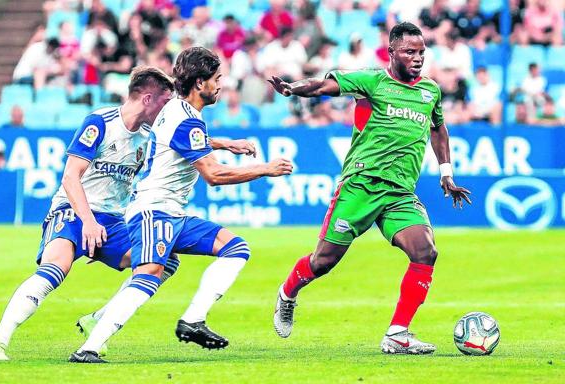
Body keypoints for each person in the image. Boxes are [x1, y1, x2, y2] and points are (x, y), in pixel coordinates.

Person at [69, 47, 293, 363]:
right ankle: (89, 347)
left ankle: (192, 319)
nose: (220, 85)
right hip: (153, 211)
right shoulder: (186, 121)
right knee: (148, 274)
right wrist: (265, 169)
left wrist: (224, 142)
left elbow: (183, 139)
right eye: (216, 79)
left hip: (170, 211)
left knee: (235, 248)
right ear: (200, 83)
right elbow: (214, 175)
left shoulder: (177, 112)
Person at [268, 22, 471, 355]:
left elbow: (439, 130)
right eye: (409, 52)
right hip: (360, 186)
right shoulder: (371, 82)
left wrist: (446, 173)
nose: (417, 58)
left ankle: (397, 333)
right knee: (323, 262)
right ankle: (288, 293)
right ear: (392, 52)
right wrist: (292, 88)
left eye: (421, 52)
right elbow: (323, 85)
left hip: (400, 192)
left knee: (425, 251)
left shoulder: (430, 91)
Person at [0, 66, 175, 361]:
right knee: (56, 268)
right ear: (147, 98)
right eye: (165, 102)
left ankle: (99, 318)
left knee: (163, 259)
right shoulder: (100, 123)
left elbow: (184, 146)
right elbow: (70, 177)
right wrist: (88, 222)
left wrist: (226, 145)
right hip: (73, 210)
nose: (167, 110)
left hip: (111, 220)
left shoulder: (149, 136)